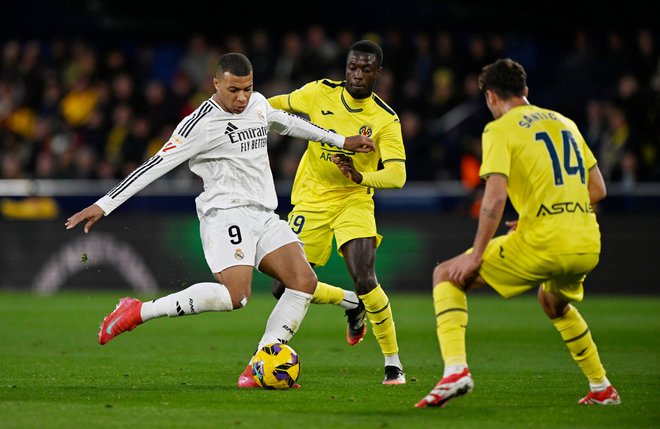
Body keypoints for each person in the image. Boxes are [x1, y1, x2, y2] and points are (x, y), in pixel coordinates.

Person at [65, 53, 375, 388]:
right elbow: (154, 166)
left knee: (303, 282)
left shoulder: (257, 104)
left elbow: (289, 122)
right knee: (236, 297)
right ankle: (137, 311)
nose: (242, 97)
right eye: (233, 90)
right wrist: (105, 204)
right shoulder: (198, 125)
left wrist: (341, 141)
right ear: (215, 84)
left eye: (247, 88)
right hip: (226, 213)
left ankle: (260, 365)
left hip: (264, 214)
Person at [415, 58, 621, 407]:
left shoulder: (499, 129)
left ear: (491, 97)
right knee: (553, 301)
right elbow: (598, 188)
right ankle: (602, 388)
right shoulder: (565, 122)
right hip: (586, 240)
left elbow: (493, 201)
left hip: (546, 241)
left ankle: (455, 371)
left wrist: (476, 256)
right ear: (525, 91)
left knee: (447, 274)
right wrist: (544, 210)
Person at [268, 40, 407, 384]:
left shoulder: (385, 120)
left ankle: (393, 363)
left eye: (365, 69)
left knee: (365, 278)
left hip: (354, 198)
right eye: (352, 68)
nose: (357, 75)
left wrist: (361, 175)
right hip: (312, 198)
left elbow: (398, 174)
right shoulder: (318, 93)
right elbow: (272, 105)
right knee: (284, 286)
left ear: (378, 74)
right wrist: (240, 108)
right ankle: (352, 305)